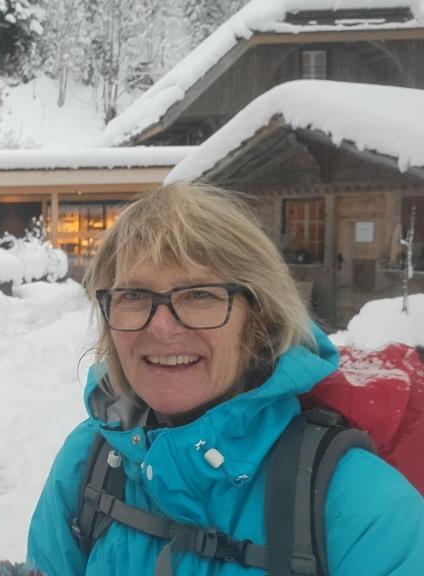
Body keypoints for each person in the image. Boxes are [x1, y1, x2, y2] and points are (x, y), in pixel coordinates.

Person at [26, 183, 424, 575]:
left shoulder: (364, 509)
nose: (161, 327)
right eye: (133, 295)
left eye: (199, 294)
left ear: (259, 318)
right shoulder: (87, 463)